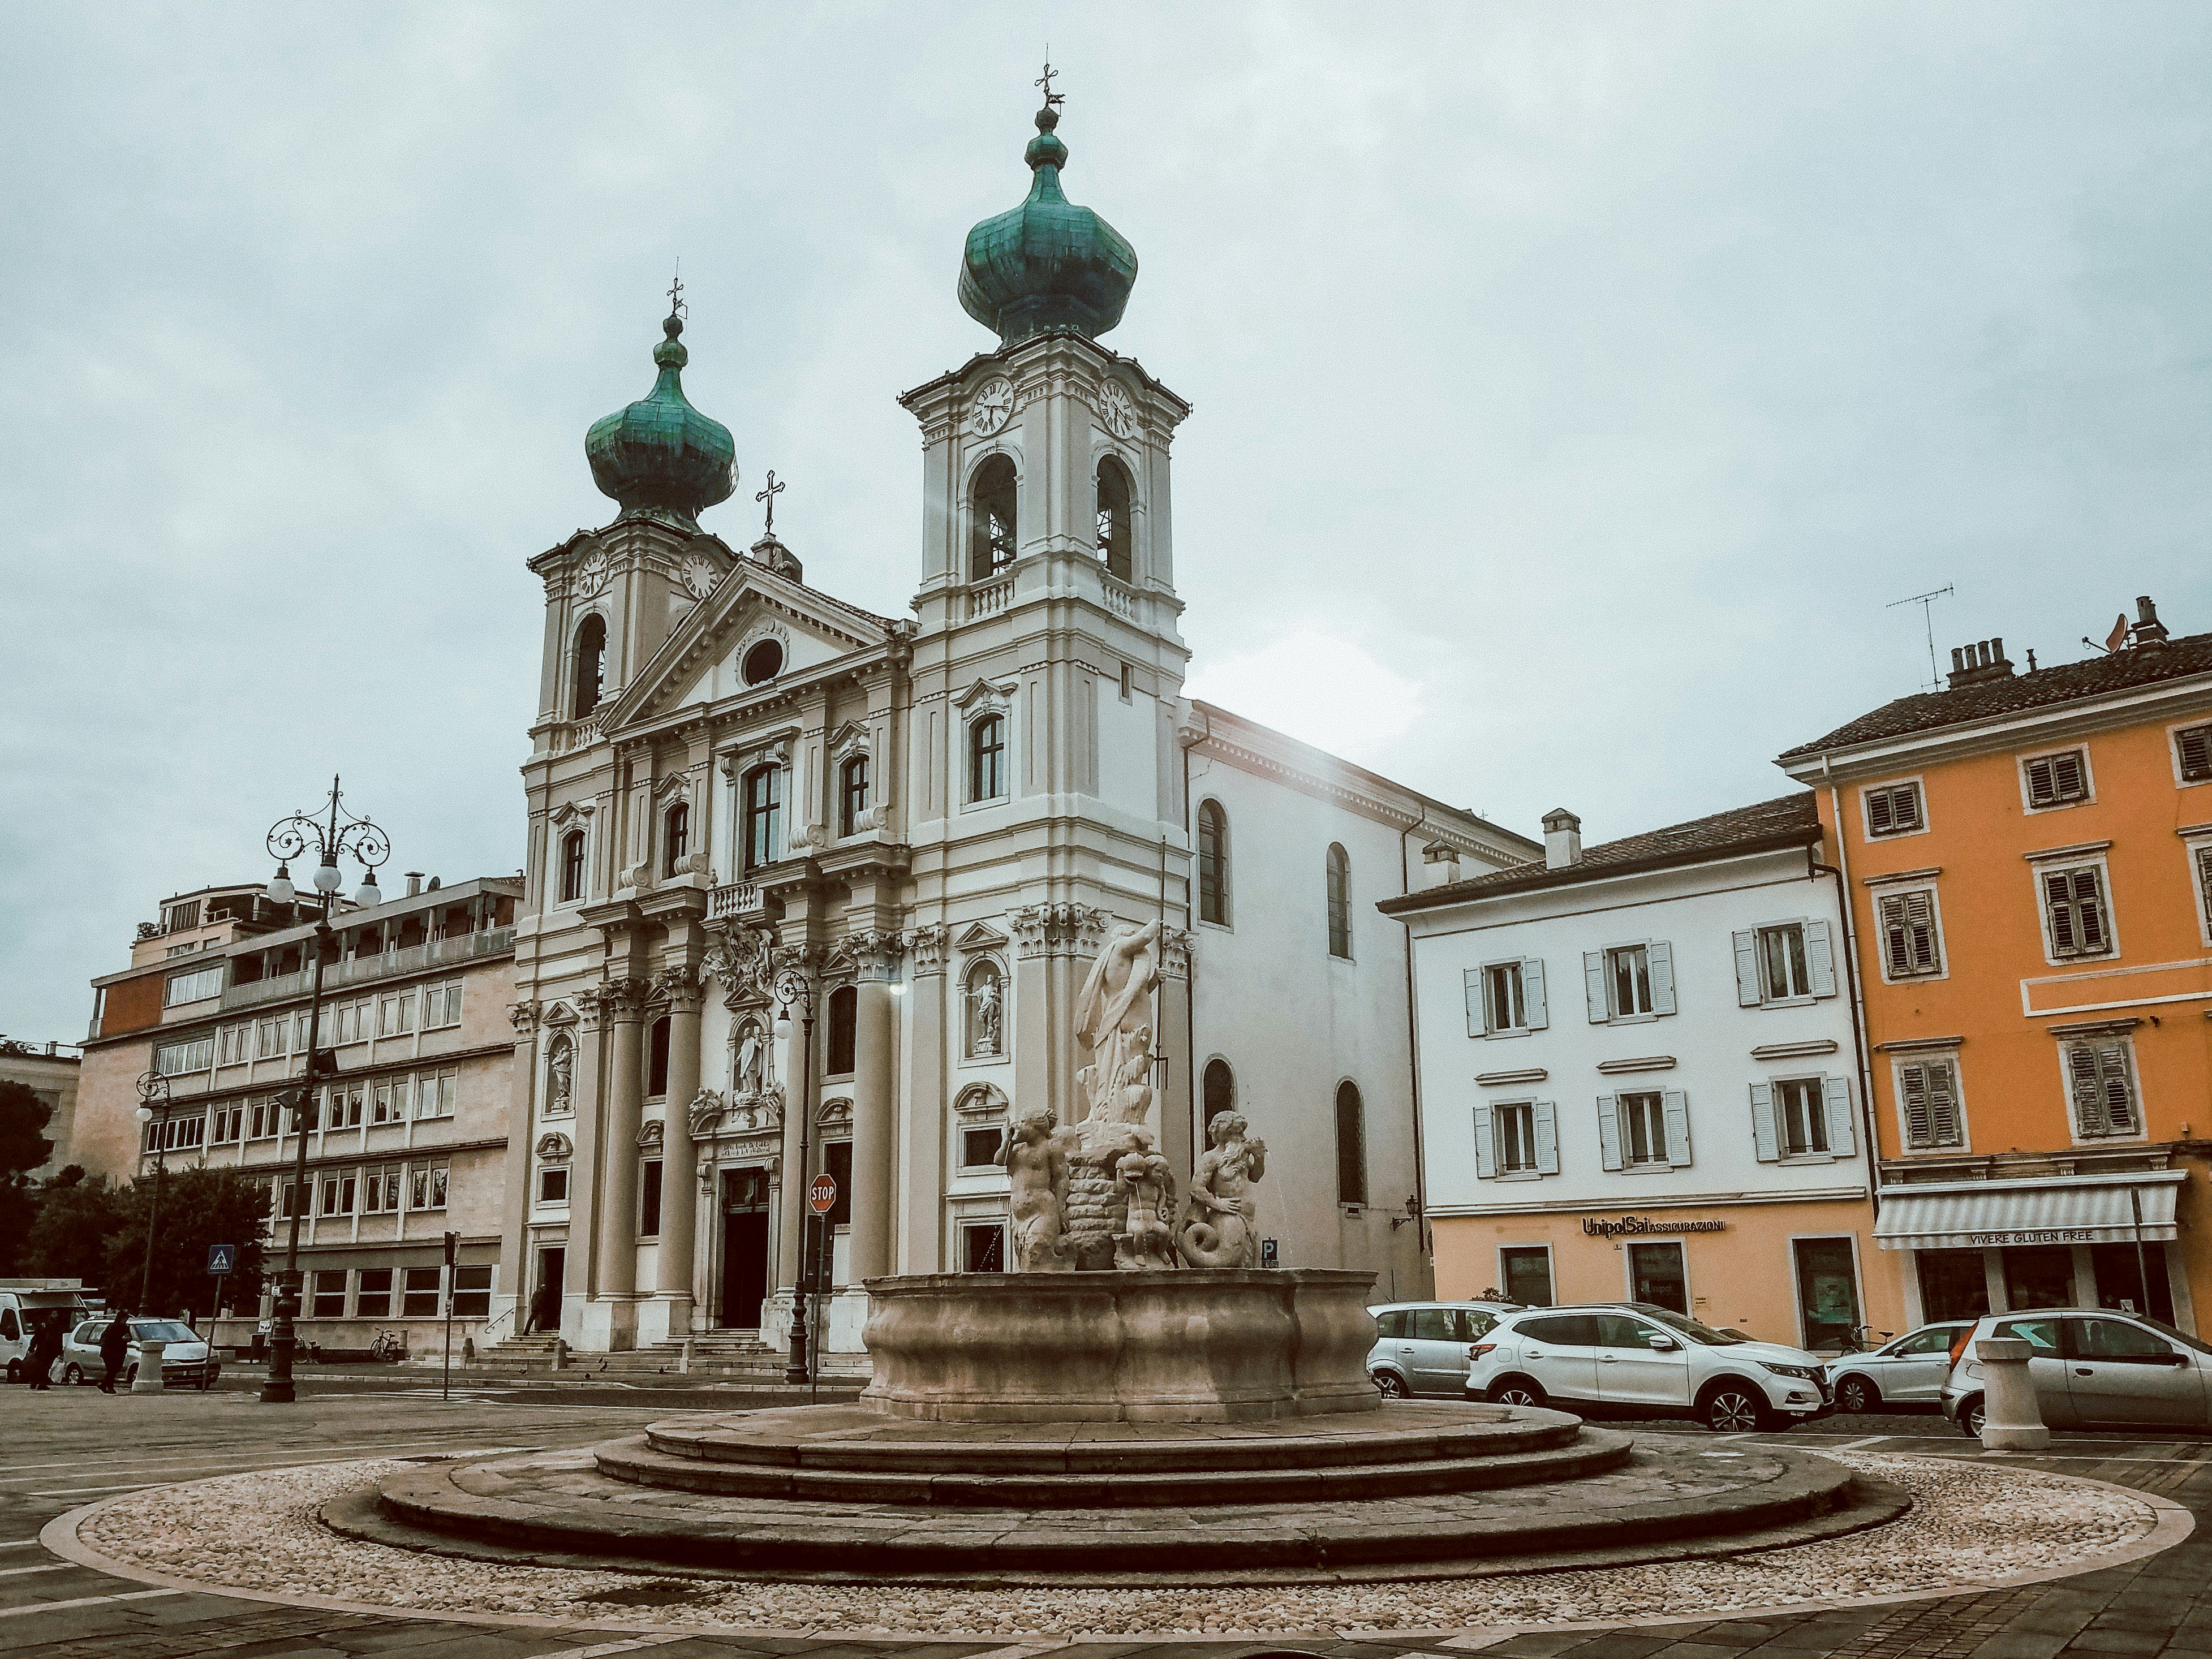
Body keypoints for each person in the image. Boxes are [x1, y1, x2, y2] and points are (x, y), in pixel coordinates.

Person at [21, 1313, 63, 1391]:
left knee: (43, 1368)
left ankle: (36, 1382)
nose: (56, 1316)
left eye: (56, 1314)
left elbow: (58, 1339)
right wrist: (32, 1346)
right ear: (50, 1315)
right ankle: (41, 1384)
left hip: (48, 1350)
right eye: (54, 1314)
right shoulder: (47, 1326)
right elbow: (38, 1337)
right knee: (44, 1368)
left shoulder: (53, 1325)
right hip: (45, 1350)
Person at [97, 1308, 133, 1394]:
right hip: (109, 1352)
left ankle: (104, 1385)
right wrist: (121, 1339)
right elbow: (108, 1340)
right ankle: (110, 1387)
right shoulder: (112, 1327)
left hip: (120, 1352)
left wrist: (128, 1339)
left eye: (126, 1319)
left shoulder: (125, 1327)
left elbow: (129, 1337)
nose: (125, 1321)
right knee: (112, 1370)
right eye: (124, 1319)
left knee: (116, 1369)